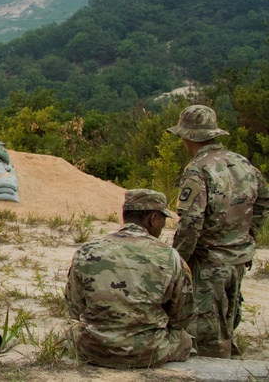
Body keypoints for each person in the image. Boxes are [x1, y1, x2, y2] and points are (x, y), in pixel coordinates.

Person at [168, 104, 269, 357]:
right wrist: (249, 234)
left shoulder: (198, 169)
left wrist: (178, 261)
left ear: (187, 136)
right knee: (226, 323)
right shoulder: (242, 163)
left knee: (207, 339)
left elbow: (190, 223)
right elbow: (264, 199)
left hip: (208, 262)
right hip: (238, 258)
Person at [65, 189, 193, 367]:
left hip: (93, 350)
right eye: (162, 220)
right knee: (185, 338)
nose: (162, 226)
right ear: (153, 219)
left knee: (67, 330)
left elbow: (75, 307)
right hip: (149, 353)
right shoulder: (170, 256)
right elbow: (182, 316)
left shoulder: (87, 251)